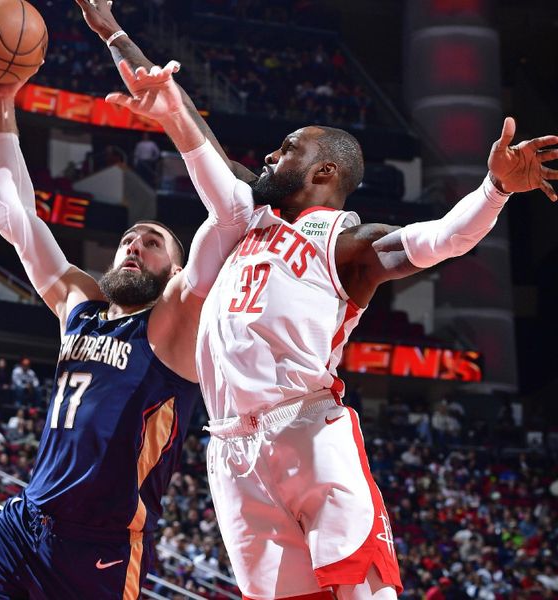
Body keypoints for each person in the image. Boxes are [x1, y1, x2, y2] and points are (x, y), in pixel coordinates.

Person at [80, 4, 558, 597]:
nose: (271, 157)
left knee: (364, 591)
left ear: (325, 169)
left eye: (287, 149)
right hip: (228, 448)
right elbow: (195, 136)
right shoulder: (247, 215)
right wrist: (115, 35)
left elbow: (440, 240)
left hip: (305, 432)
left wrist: (494, 191)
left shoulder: (346, 241)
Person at [0, 17, 254, 599]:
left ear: (177, 273)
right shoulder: (79, 306)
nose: (135, 246)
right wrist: (0, 105)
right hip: (21, 523)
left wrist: (175, 115)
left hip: (99, 552)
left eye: (153, 243)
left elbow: (232, 215)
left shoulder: (177, 321)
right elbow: (14, 218)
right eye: (129, 238)